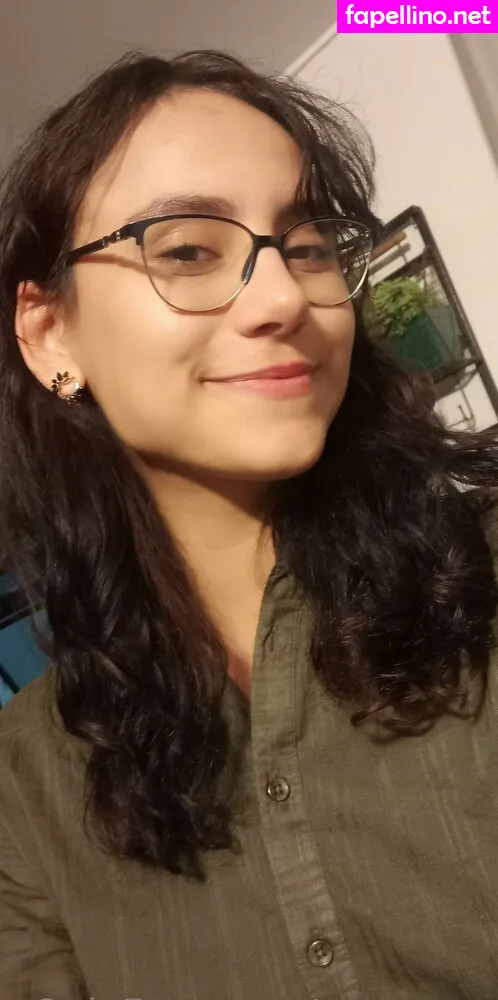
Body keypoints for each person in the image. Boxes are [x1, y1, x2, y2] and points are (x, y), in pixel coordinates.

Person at [0, 48, 497, 1000]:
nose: (284, 298)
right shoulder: (25, 792)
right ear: (49, 333)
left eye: (308, 246)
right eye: (187, 251)